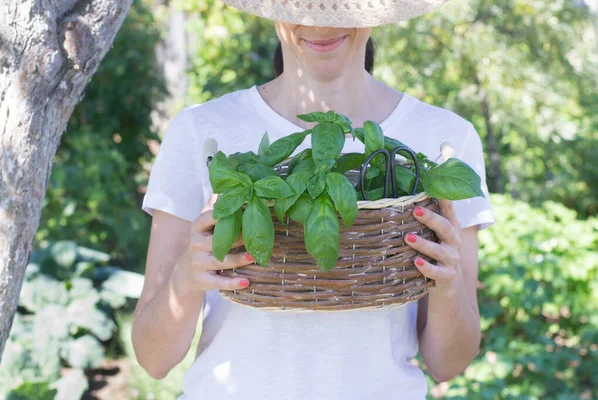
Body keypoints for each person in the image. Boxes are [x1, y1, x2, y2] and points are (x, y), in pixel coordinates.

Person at [131, 0, 496, 398]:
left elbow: (449, 364)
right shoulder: (202, 131)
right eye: (303, 3)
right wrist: (185, 279)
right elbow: (153, 359)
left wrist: (446, 284)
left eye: (339, 5)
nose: (319, 21)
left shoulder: (443, 140)